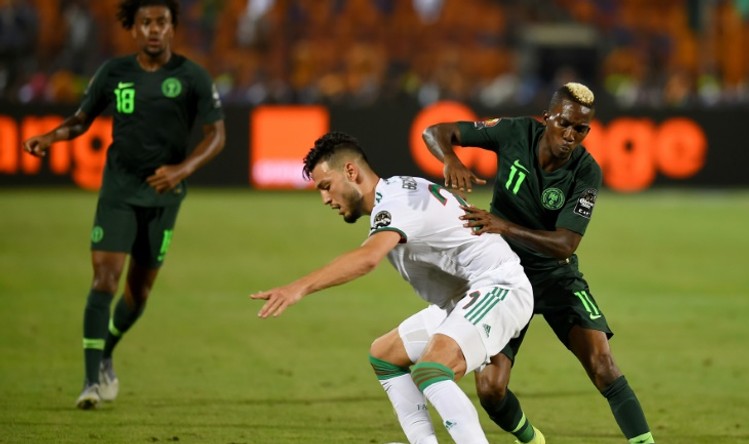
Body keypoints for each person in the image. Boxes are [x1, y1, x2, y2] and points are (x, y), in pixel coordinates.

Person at [250, 132, 543, 444]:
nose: (325, 199)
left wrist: (298, 288)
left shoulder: (396, 204)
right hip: (463, 299)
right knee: (385, 355)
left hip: (500, 288)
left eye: (326, 186)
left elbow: (367, 258)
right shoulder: (394, 191)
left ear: (351, 172)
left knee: (431, 370)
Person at [422, 82, 656, 444]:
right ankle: (532, 439)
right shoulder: (515, 131)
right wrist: (451, 159)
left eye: (581, 129)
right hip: (502, 275)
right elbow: (436, 131)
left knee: (604, 366)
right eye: (564, 123)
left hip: (554, 275)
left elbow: (565, 244)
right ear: (546, 118)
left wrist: (504, 226)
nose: (571, 135)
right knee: (490, 388)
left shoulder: (586, 171)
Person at [22, 0, 225, 410]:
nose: (153, 29)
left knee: (138, 291)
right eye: (145, 22)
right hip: (118, 190)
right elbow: (82, 119)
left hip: (164, 196)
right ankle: (89, 382)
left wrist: (181, 170)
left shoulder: (191, 76)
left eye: (161, 22)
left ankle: (108, 349)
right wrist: (51, 136)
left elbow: (216, 135)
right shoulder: (114, 73)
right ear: (133, 29)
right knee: (104, 280)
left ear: (172, 28)